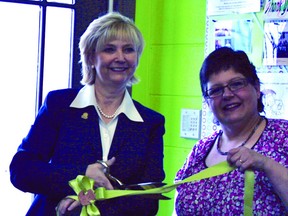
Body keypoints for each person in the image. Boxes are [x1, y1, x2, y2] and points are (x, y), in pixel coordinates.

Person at [10, 12, 165, 216]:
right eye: (110, 49)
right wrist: (81, 174)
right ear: (91, 57)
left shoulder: (150, 122)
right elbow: (22, 171)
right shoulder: (60, 105)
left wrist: (88, 200)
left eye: (128, 49)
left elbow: (149, 198)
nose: (120, 57)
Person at [174, 47, 288, 215]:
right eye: (216, 90)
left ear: (256, 88)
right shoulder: (200, 150)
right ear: (207, 101)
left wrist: (267, 165)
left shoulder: (283, 136)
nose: (227, 95)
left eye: (236, 84)